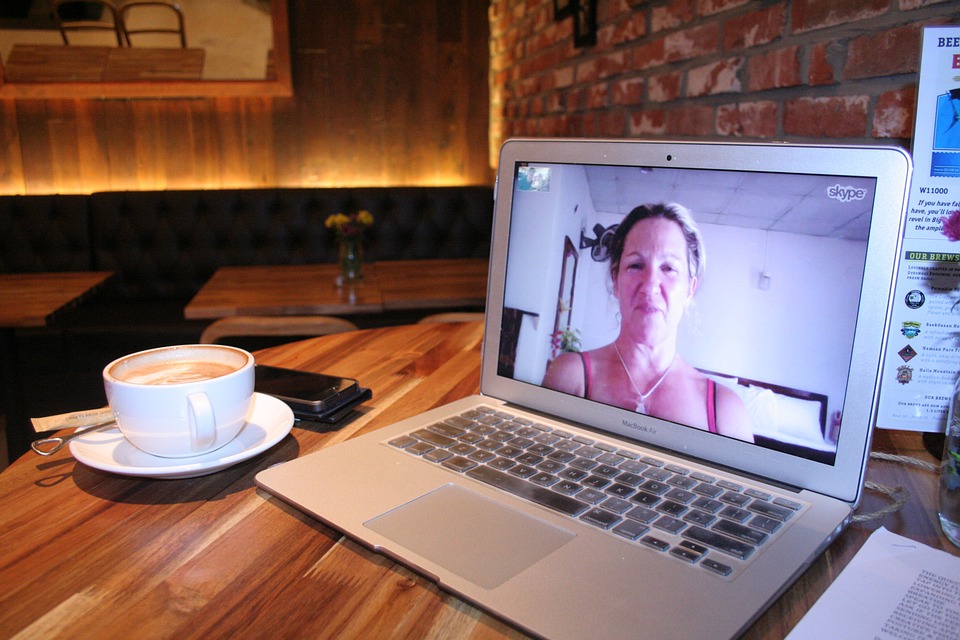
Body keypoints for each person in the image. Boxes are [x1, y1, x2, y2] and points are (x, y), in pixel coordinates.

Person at [542, 203, 753, 442]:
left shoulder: (726, 412)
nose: (651, 285)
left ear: (689, 289)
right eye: (635, 265)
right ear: (616, 280)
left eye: (669, 268)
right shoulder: (570, 377)